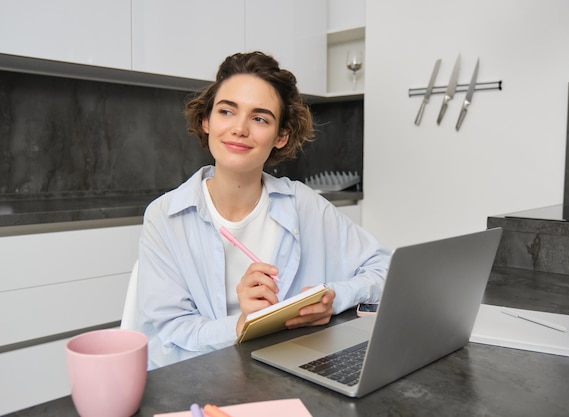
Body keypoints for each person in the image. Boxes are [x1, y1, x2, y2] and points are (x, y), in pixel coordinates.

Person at [136, 51, 391, 369]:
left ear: (281, 136)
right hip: (202, 381)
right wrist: (244, 323)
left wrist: (333, 297)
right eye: (227, 111)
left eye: (259, 118)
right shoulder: (165, 217)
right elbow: (170, 332)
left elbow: (385, 268)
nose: (239, 128)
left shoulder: (303, 204)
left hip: (289, 372)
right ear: (206, 120)